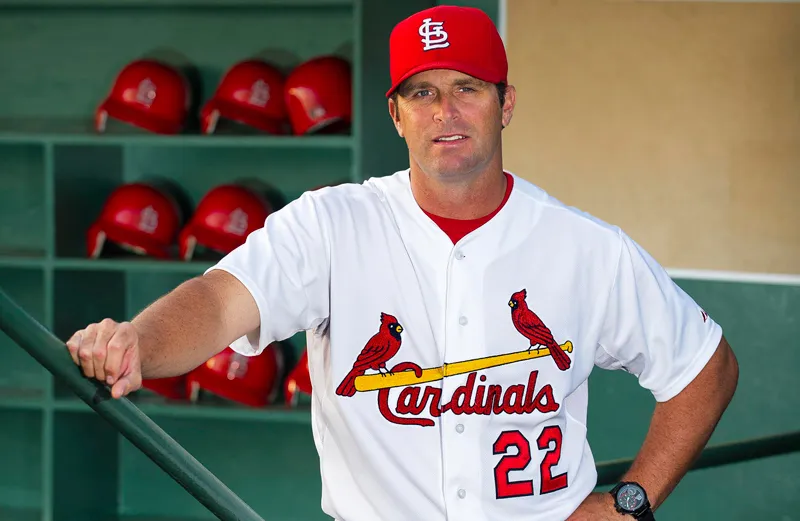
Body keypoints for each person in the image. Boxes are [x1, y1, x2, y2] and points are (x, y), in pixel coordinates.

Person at [66, 6, 739, 521]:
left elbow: (706, 364)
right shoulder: (330, 223)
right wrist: (139, 339)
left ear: (506, 103)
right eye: (421, 93)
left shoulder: (586, 248)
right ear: (394, 113)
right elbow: (219, 300)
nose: (444, 111)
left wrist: (630, 501)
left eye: (467, 87)